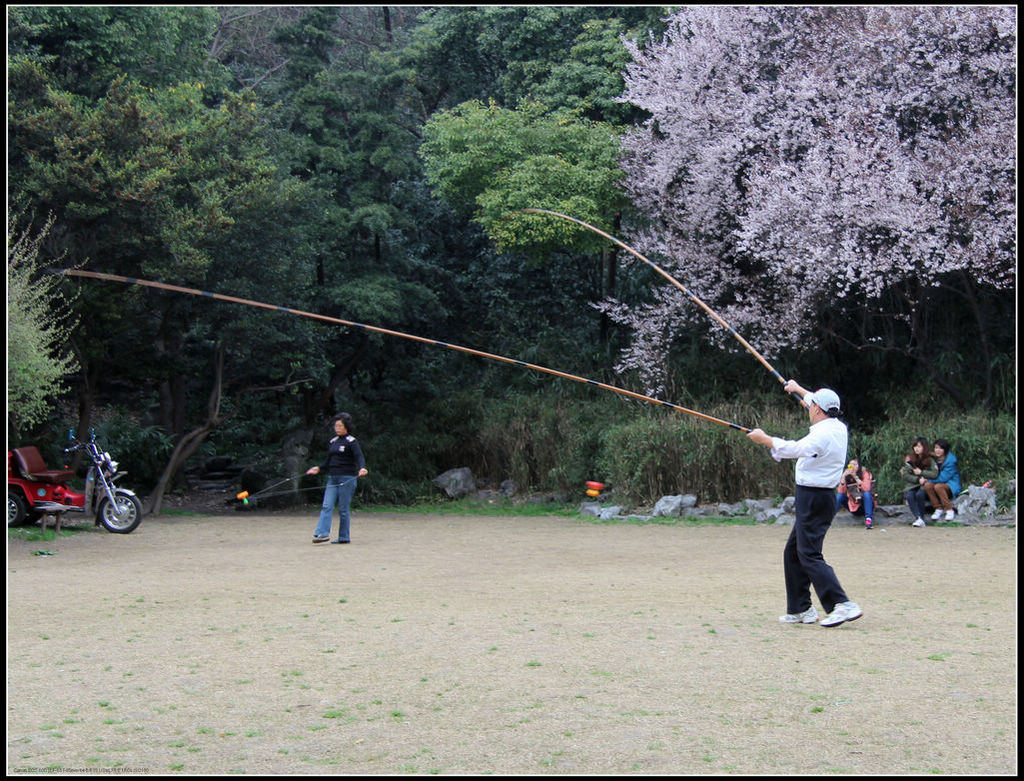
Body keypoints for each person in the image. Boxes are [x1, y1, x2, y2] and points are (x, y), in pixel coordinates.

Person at [747, 380, 862, 628]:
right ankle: (800, 609)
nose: (808, 407)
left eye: (812, 405)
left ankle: (841, 604)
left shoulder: (822, 434)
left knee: (809, 554)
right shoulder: (836, 425)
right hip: (816, 497)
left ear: (818, 410)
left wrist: (765, 439)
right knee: (793, 552)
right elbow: (813, 399)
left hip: (814, 498)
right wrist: (797, 388)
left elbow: (796, 448)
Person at [306, 413, 369, 544]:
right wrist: (318, 468)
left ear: (346, 427)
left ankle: (344, 537)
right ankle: (322, 533)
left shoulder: (352, 442)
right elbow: (328, 461)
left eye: (340, 425)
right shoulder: (333, 442)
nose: (337, 427)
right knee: (327, 506)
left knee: (343, 509)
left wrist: (362, 468)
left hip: (347, 478)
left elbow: (359, 457)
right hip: (332, 478)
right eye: (336, 425)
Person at [900, 437, 938, 527]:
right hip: (913, 485)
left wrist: (922, 473)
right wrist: (917, 479)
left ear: (924, 447)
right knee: (910, 495)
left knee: (920, 495)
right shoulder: (910, 459)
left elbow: (935, 473)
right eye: (915, 446)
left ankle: (922, 518)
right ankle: (918, 518)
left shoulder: (930, 460)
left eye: (919, 446)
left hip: (925, 485)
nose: (916, 448)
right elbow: (906, 475)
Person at [923, 438, 961, 522]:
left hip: (951, 485)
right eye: (936, 448)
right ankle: (938, 508)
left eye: (941, 448)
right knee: (927, 485)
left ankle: (949, 510)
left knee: (938, 486)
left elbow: (943, 478)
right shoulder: (935, 459)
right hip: (938, 482)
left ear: (945, 450)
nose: (938, 450)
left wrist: (927, 479)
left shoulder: (950, 461)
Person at [836, 457, 875, 530]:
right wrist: (843, 477)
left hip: (865, 505)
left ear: (859, 466)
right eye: (850, 464)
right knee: (839, 496)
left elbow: (867, 488)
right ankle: (827, 519)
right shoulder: (847, 476)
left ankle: (868, 520)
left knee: (866, 494)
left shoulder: (865, 473)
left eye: (854, 464)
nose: (852, 466)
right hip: (853, 506)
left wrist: (856, 477)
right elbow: (841, 491)